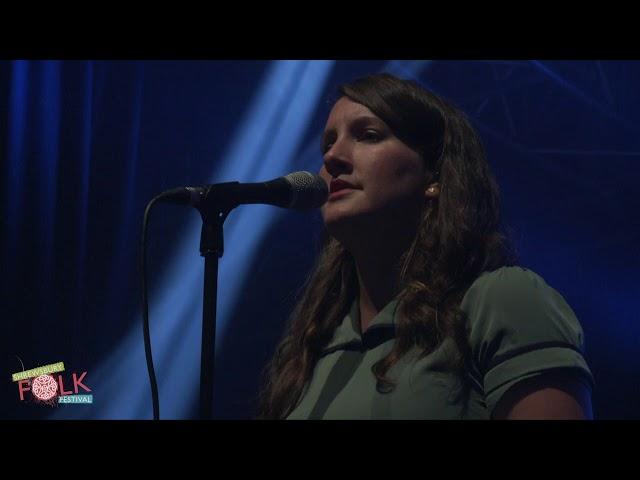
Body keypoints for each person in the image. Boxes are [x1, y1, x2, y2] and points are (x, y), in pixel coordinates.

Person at [257, 73, 594, 420]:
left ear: (433, 175)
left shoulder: (500, 300)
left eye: (368, 135)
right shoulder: (312, 346)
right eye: (328, 143)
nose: (332, 158)